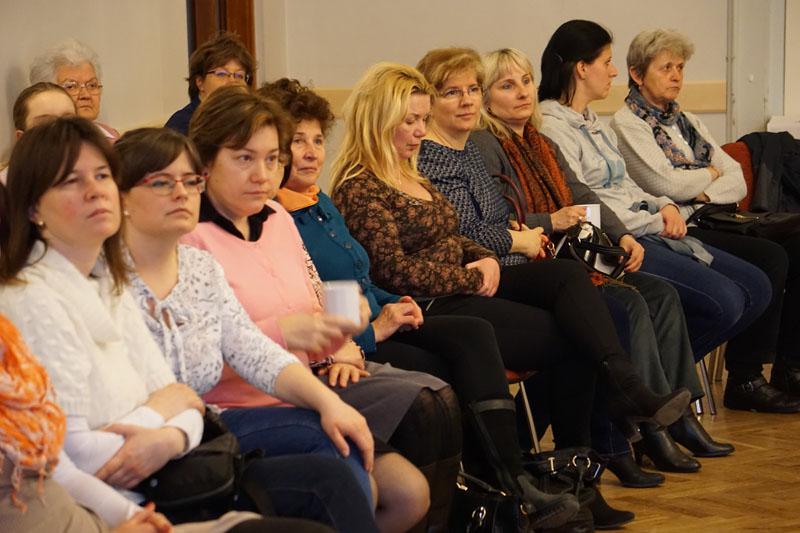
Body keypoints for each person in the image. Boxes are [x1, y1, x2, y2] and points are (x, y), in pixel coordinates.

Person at [329, 61, 695, 528]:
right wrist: (472, 275)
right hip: (431, 301)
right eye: (410, 121)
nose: (421, 130)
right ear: (379, 122)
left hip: (464, 281)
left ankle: (615, 406)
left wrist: (482, 256)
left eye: (422, 119)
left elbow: (453, 235)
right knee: (575, 337)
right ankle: (551, 479)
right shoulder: (361, 188)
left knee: (565, 276)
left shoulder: (410, 171)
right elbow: (393, 270)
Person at [0, 117, 376, 531]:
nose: (95, 191)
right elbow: (70, 453)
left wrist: (172, 430)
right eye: (162, 182)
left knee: (339, 466)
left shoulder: (114, 281)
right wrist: (163, 416)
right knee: (322, 471)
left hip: (179, 456)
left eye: (102, 175)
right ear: (33, 207)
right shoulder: (39, 296)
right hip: (135, 486)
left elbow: (201, 388)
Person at [262, 77, 579, 529]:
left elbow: (360, 280)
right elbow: (325, 305)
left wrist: (397, 303)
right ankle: (499, 489)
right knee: (450, 366)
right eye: (298, 141)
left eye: (317, 140)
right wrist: (375, 328)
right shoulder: (289, 215)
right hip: (349, 345)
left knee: (511, 322)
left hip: (382, 318)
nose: (312, 152)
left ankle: (509, 485)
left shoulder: (320, 204)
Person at [183, 86, 457, 533]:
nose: (262, 174)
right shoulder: (190, 239)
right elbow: (197, 361)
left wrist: (342, 332)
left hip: (305, 385)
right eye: (244, 158)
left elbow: (313, 305)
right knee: (367, 484)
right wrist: (289, 335)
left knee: (410, 493)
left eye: (272, 159)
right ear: (206, 161)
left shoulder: (277, 219)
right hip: (234, 409)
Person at [470, 46, 733, 480]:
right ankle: (631, 437)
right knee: (625, 309)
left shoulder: (539, 140)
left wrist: (622, 235)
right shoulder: (485, 144)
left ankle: (677, 415)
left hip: (570, 257)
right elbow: (498, 218)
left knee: (661, 295)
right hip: (527, 265)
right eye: (506, 85)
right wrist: (550, 220)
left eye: (526, 82)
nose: (522, 93)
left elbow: (583, 195)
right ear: (487, 99)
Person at [536, 21, 776, 428]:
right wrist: (660, 210)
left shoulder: (592, 120)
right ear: (581, 68)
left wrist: (664, 206)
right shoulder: (553, 126)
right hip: (623, 238)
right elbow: (589, 199)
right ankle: (657, 403)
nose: (613, 71)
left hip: (652, 225)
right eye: (607, 62)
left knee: (757, 286)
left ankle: (654, 397)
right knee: (727, 301)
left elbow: (628, 185)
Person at [0, 313, 335, 533]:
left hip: (148, 486)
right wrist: (162, 415)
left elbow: (185, 399)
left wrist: (173, 435)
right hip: (142, 485)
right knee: (318, 452)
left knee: (325, 473)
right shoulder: (29, 303)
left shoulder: (13, 337)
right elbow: (81, 454)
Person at [610, 28, 800, 412]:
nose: (676, 76)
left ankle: (790, 366)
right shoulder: (626, 124)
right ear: (637, 73)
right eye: (666, 67)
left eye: (680, 67)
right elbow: (664, 184)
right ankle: (745, 377)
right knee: (771, 258)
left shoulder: (688, 121)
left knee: (797, 244)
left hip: (714, 214)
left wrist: (703, 189)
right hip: (681, 226)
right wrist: (710, 175)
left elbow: (736, 179)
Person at [29, 38, 119, 140]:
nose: (85, 95)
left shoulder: (111, 135)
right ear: (47, 93)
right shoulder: (47, 145)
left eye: (92, 85)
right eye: (71, 86)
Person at [165, 32, 253, 135]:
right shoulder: (182, 125)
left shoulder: (248, 119)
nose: (232, 81)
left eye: (239, 75)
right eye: (221, 74)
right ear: (200, 82)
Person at [2, 82, 77, 184]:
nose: (61, 130)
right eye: (46, 124)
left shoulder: (92, 172)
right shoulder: (7, 187)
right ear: (22, 138)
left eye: (68, 120)